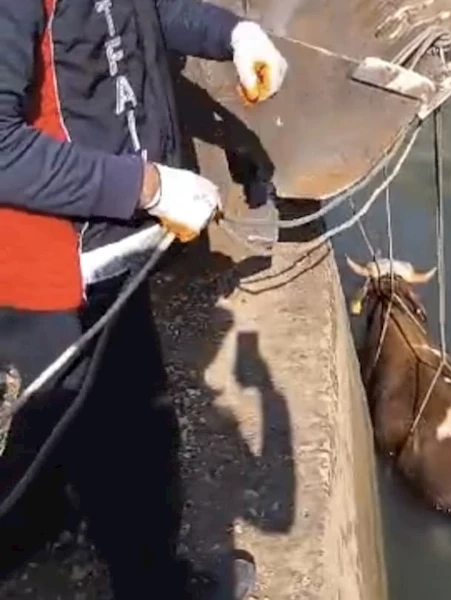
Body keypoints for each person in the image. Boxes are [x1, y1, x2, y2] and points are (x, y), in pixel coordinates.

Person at [0, 1, 288, 598]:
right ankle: (153, 584)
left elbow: (145, 9)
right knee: (136, 434)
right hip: (56, 261)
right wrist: (147, 186)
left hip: (106, 238)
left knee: (62, 411)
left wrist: (233, 34)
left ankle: (40, 517)